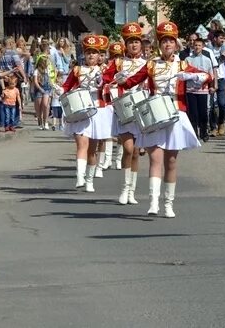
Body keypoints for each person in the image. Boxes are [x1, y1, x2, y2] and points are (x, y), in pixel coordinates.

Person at [118, 21, 205, 217]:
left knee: (171, 162)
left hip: (175, 114)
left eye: (171, 41)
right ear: (159, 43)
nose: (167, 44)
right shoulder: (151, 64)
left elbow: (206, 76)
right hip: (155, 114)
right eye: (164, 41)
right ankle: (153, 202)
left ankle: (168, 203)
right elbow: (132, 80)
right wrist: (119, 79)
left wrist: (193, 77)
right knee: (155, 159)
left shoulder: (182, 64)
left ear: (176, 44)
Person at [101, 23, 150, 205]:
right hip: (123, 108)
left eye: (137, 41)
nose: (134, 45)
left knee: (136, 152)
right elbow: (104, 80)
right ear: (125, 44)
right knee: (128, 149)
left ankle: (132, 191)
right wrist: (114, 80)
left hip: (140, 109)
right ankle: (124, 187)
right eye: (130, 42)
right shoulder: (118, 62)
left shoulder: (148, 63)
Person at [61, 34, 111, 192]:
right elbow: (67, 86)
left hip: (97, 109)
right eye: (88, 52)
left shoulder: (104, 70)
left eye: (94, 52)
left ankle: (89, 179)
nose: (91, 55)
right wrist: (59, 90)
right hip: (80, 109)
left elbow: (107, 86)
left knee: (92, 149)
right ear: (84, 54)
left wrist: (103, 81)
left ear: (98, 55)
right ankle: (80, 176)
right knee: (81, 144)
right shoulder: (77, 70)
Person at [184, 36, 216, 141]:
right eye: (195, 45)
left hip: (203, 90)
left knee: (203, 112)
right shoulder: (188, 59)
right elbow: (184, 73)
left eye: (199, 45)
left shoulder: (207, 60)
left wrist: (212, 86)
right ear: (193, 46)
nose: (197, 47)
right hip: (191, 89)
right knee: (193, 113)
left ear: (203, 47)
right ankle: (194, 133)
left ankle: (204, 132)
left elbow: (211, 75)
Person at [32, 55, 53, 130]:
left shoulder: (47, 70)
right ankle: (40, 121)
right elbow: (35, 82)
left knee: (45, 105)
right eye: (46, 62)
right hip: (39, 89)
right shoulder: (36, 71)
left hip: (47, 89)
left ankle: (46, 122)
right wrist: (40, 89)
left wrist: (52, 86)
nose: (47, 64)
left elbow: (49, 79)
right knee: (39, 107)